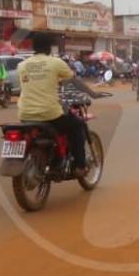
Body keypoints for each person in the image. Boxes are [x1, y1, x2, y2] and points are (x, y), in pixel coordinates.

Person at [17, 32, 88, 176]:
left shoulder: (22, 65)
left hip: (25, 114)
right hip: (50, 113)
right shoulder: (56, 63)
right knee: (77, 125)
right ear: (49, 48)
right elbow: (73, 80)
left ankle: (55, 157)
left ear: (33, 47)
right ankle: (80, 166)